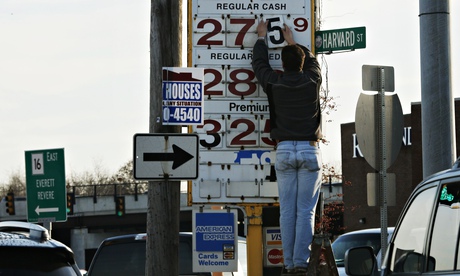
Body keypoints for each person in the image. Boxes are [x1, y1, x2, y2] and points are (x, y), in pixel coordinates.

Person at [252, 19, 323, 275]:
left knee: (288, 211)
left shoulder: (275, 84)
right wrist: (294, 43)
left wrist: (262, 38)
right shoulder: (312, 82)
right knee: (305, 211)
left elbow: (259, 66)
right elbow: (314, 63)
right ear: (302, 62)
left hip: (283, 150)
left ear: (282, 65)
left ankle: (289, 262)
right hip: (309, 149)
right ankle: (299, 265)